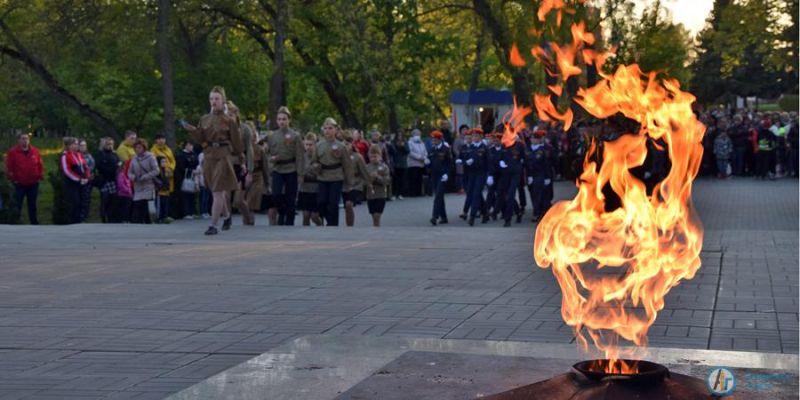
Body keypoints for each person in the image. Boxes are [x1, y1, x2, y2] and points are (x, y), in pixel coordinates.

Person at [183, 86, 245, 234]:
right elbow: (201, 138)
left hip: (223, 155)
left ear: (223, 100)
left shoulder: (229, 120)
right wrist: (192, 130)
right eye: (211, 98)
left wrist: (241, 160)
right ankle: (227, 216)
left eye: (216, 98)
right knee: (215, 190)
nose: (213, 101)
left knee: (217, 191)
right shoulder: (204, 119)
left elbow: (237, 142)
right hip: (209, 155)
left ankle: (213, 225)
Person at [266, 106, 304, 226]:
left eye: (284, 119)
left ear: (289, 120)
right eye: (279, 119)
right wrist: (270, 160)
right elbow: (267, 153)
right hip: (278, 168)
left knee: (290, 197)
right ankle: (282, 212)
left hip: (291, 168)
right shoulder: (272, 136)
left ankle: (289, 222)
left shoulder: (295, 136)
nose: (281, 121)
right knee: (276, 194)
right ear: (276, 121)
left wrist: (300, 173)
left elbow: (300, 156)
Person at [313, 118, 353, 226]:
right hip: (323, 176)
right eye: (325, 128)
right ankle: (323, 221)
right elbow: (314, 161)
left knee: (333, 204)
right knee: (321, 202)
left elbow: (347, 165)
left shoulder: (341, 146)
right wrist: (315, 166)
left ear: (335, 130)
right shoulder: (318, 145)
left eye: (330, 128)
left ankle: (333, 225)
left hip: (336, 176)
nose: (327, 131)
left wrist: (349, 183)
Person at [235, 121, 270, 226]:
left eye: (254, 135)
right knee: (239, 201)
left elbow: (265, 168)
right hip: (243, 176)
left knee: (250, 203)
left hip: (257, 177)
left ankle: (249, 224)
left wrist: (267, 184)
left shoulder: (259, 150)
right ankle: (247, 220)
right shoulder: (240, 149)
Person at [4, 132, 44, 224]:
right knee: (17, 204)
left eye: (26, 138)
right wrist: (13, 179)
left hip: (33, 183)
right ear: (18, 140)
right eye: (23, 138)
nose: (25, 140)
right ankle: (16, 222)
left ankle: (34, 223)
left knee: (32, 204)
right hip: (19, 184)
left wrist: (40, 176)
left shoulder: (35, 151)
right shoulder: (13, 152)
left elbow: (40, 164)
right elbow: (9, 167)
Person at [461, 128, 490, 226]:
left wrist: (490, 176)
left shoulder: (484, 148)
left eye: (476, 136)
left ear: (481, 137)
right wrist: (466, 162)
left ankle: (472, 216)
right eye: (473, 136)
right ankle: (485, 213)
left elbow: (489, 162)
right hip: (472, 173)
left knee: (476, 193)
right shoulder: (470, 147)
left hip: (481, 173)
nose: (474, 138)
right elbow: (464, 159)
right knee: (472, 193)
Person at [128, 139, 160, 224]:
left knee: (145, 205)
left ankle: (148, 222)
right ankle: (138, 223)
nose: (137, 149)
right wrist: (133, 177)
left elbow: (156, 170)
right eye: (136, 147)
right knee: (137, 204)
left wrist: (145, 176)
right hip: (137, 185)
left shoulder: (151, 157)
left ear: (144, 148)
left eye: (139, 147)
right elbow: (129, 172)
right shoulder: (134, 158)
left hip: (148, 185)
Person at [342, 130, 370, 227]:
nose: (345, 146)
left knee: (349, 204)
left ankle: (350, 227)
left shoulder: (357, 157)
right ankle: (348, 224)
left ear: (351, 144)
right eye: (343, 144)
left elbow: (364, 171)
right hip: (343, 185)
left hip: (356, 185)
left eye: (347, 144)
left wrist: (369, 184)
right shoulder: (338, 157)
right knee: (347, 206)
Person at [60, 137, 90, 224]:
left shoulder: (79, 155)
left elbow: (86, 167)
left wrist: (87, 177)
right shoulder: (65, 156)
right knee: (74, 203)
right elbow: (67, 171)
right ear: (69, 145)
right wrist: (79, 179)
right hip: (72, 184)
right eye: (74, 144)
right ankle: (73, 222)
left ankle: (81, 220)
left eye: (77, 144)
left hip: (82, 182)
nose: (76, 146)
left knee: (83, 202)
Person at [526, 130, 554, 222]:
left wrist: (547, 177)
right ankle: (539, 211)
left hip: (540, 175)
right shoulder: (528, 149)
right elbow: (526, 163)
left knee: (538, 194)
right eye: (532, 138)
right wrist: (528, 175)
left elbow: (546, 165)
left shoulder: (542, 150)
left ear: (539, 140)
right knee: (533, 194)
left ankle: (537, 213)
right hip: (530, 176)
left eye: (535, 138)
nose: (533, 140)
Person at [150, 133, 176, 223]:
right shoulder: (153, 150)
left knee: (167, 196)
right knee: (160, 196)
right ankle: (159, 216)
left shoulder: (168, 149)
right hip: (160, 175)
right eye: (159, 139)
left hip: (169, 175)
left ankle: (165, 215)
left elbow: (173, 160)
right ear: (156, 140)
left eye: (163, 138)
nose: (161, 140)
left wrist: (171, 168)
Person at [93, 137, 120, 223]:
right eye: (108, 144)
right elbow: (99, 165)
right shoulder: (100, 154)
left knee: (113, 200)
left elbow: (118, 163)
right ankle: (104, 219)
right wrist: (111, 170)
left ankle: (112, 218)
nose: (110, 146)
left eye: (111, 144)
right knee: (105, 200)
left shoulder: (114, 154)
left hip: (113, 180)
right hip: (104, 180)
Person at [428, 130, 452, 225]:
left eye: (435, 139)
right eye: (432, 139)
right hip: (434, 175)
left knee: (438, 196)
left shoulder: (446, 149)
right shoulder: (432, 149)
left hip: (442, 176)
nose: (433, 141)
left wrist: (447, 174)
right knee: (439, 196)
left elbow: (450, 163)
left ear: (439, 139)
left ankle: (435, 216)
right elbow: (431, 163)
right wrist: (427, 164)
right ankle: (444, 217)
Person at [298, 132, 322, 226]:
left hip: (316, 189)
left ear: (315, 144)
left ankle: (321, 227)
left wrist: (309, 171)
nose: (308, 147)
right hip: (304, 189)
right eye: (306, 144)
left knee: (314, 216)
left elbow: (319, 171)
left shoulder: (319, 156)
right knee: (305, 215)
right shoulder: (301, 157)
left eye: (310, 144)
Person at [365, 144, 390, 227]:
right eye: (371, 157)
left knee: (377, 215)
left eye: (375, 156)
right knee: (373, 215)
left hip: (381, 194)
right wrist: (370, 179)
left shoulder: (384, 167)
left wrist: (378, 177)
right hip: (370, 195)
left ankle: (377, 228)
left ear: (380, 156)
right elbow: (364, 181)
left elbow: (387, 180)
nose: (373, 159)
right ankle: (375, 226)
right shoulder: (367, 167)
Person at [175, 141, 199, 219]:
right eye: (189, 145)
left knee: (192, 195)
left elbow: (197, 163)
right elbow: (181, 166)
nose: (190, 147)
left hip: (194, 176)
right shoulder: (181, 155)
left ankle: (192, 211)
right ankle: (186, 212)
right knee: (185, 195)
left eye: (191, 145)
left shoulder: (194, 154)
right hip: (185, 176)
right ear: (185, 146)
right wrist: (190, 170)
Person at [406, 129, 427, 197]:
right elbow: (410, 152)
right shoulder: (410, 142)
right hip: (413, 164)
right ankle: (412, 192)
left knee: (419, 178)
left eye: (419, 134)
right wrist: (419, 157)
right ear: (413, 135)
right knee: (413, 178)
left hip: (421, 164)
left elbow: (425, 151)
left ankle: (419, 192)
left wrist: (424, 157)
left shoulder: (422, 143)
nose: (418, 136)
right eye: (416, 134)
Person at [390, 131, 409, 199]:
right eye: (398, 135)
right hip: (395, 162)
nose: (399, 137)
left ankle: (401, 193)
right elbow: (392, 151)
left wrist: (403, 146)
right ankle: (394, 193)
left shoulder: (405, 142)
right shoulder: (393, 142)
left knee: (402, 179)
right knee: (395, 179)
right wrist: (396, 146)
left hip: (403, 162)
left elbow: (408, 151)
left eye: (401, 135)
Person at [116, 158, 133, 222]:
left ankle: (126, 219)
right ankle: (123, 219)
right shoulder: (121, 174)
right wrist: (128, 191)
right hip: (123, 194)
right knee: (124, 208)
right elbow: (121, 185)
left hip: (128, 194)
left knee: (127, 208)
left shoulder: (126, 174)